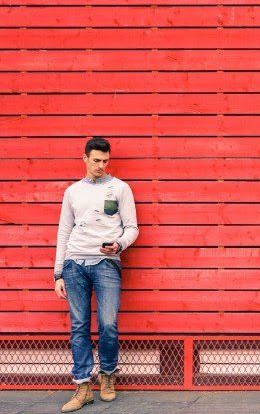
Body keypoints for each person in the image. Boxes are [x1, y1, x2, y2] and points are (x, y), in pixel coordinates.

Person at [54, 137, 139, 412]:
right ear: (85, 159)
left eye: (105, 161)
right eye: (96, 160)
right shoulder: (73, 192)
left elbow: (132, 228)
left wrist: (119, 245)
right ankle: (82, 387)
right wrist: (58, 273)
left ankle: (107, 377)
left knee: (108, 323)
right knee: (78, 326)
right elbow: (64, 232)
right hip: (74, 264)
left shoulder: (120, 188)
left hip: (106, 263)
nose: (101, 165)